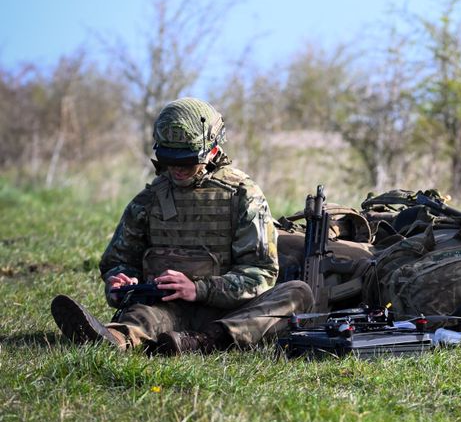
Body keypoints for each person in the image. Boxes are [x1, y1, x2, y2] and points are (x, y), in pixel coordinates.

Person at [51, 97, 313, 354]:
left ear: (212, 150)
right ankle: (116, 338)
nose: (177, 169)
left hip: (231, 311)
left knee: (297, 293)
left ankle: (204, 340)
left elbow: (261, 273)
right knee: (141, 317)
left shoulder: (243, 196)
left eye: (187, 161)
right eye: (169, 160)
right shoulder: (149, 200)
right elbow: (117, 261)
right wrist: (120, 282)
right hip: (167, 307)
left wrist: (198, 289)